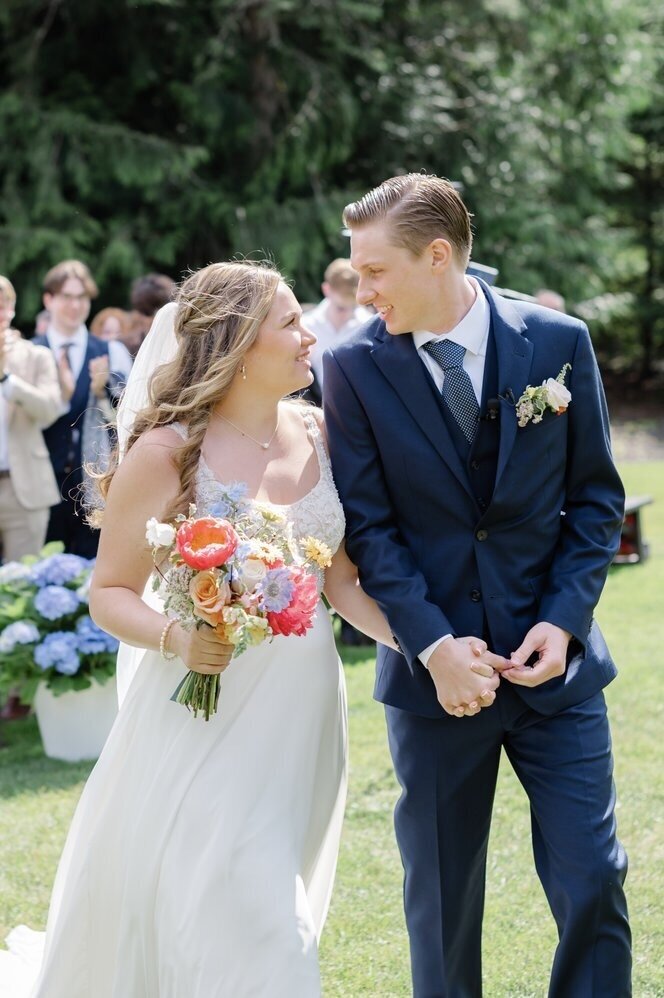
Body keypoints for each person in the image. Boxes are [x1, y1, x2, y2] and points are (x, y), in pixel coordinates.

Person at [0, 260, 396, 997]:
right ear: (239, 344)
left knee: (257, 887)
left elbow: (340, 581)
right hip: (204, 712)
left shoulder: (320, 431)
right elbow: (109, 593)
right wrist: (180, 639)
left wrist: (423, 647)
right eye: (290, 323)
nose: (309, 336)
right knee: (247, 905)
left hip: (303, 708)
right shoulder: (167, 452)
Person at [323, 174, 631, 997]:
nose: (362, 290)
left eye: (375, 271)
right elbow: (371, 531)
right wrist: (433, 648)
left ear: (437, 256)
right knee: (443, 903)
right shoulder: (349, 366)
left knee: (594, 876)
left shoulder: (558, 341)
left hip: (555, 672)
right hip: (433, 685)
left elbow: (596, 500)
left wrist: (564, 622)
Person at [33, 260, 132, 557]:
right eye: (67, 297)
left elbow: (128, 419)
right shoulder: (31, 352)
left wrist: (103, 390)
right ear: (49, 300)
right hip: (40, 484)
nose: (75, 305)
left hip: (92, 483)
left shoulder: (110, 351)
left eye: (82, 297)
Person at [0, 276, 61, 564]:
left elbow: (50, 408)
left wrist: (6, 379)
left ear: (11, 309)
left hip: (22, 487)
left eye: (2, 305)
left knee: (23, 582)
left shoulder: (37, 356)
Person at [304, 258, 372, 404]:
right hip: (314, 403)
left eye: (352, 307)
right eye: (340, 308)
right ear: (326, 289)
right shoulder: (307, 326)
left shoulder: (368, 325)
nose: (346, 315)